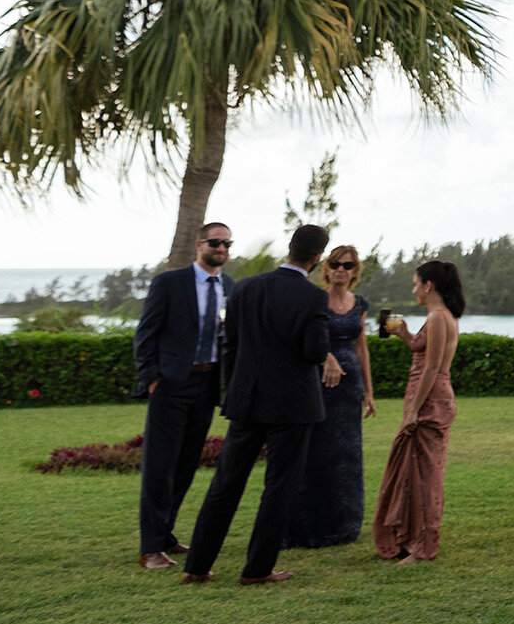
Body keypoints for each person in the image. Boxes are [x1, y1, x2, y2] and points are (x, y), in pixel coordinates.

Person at [180, 222, 337, 586]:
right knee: (279, 487)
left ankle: (197, 565)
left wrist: (234, 390)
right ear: (317, 258)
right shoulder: (313, 298)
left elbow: (229, 346)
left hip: (246, 400)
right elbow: (315, 351)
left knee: (225, 483)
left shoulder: (247, 288)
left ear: (290, 249)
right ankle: (257, 570)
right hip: (293, 405)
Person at [131, 220, 237, 570]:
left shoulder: (231, 288)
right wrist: (152, 379)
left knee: (187, 465)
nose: (220, 249)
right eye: (214, 243)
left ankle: (165, 536)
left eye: (226, 244)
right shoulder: (169, 283)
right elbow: (146, 334)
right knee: (160, 467)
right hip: (171, 385)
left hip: (207, 387)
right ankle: (150, 549)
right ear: (199, 244)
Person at [373, 259, 462, 562]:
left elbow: (434, 367)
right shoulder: (439, 317)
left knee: (425, 478)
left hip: (430, 401)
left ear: (429, 285)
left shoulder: (439, 317)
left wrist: (413, 410)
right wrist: (406, 335)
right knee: (413, 472)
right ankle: (408, 540)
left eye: (415, 283)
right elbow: (422, 351)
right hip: (430, 398)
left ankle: (423, 546)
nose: (413, 290)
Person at [285, 244, 373, 549]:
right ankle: (307, 526)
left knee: (346, 455)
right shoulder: (315, 299)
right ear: (326, 267)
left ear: (354, 271)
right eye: (335, 263)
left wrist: (368, 392)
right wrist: (325, 357)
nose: (341, 269)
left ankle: (343, 525)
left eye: (347, 265)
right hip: (317, 385)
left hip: (349, 391)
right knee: (314, 454)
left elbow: (361, 347)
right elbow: (300, 339)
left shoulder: (359, 304)